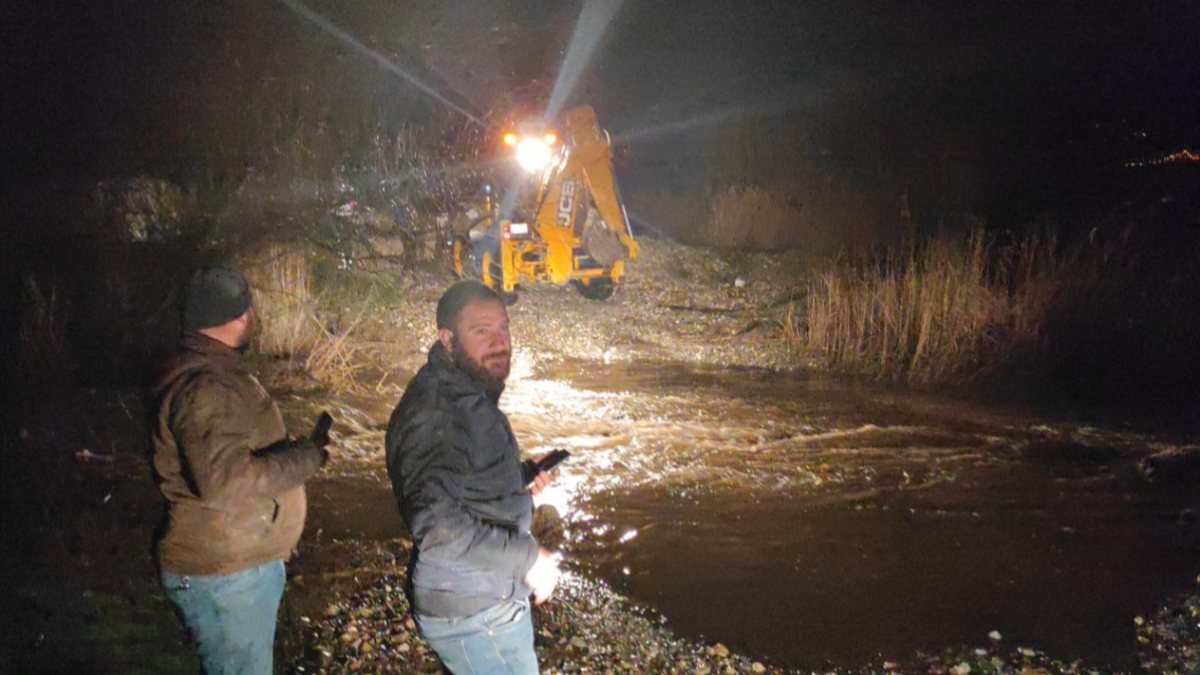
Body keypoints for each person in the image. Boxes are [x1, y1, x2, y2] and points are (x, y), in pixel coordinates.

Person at [151, 265, 331, 675]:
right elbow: (226, 486)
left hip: (234, 569)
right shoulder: (208, 388)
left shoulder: (208, 373)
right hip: (227, 576)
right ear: (242, 317)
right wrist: (306, 460)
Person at [385, 280, 561, 675]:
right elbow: (437, 527)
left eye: (504, 327)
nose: (500, 342)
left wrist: (520, 482)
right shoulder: (442, 412)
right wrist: (530, 557)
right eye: (482, 332)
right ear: (447, 339)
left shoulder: (459, 390)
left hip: (480, 598)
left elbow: (462, 482)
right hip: (477, 613)